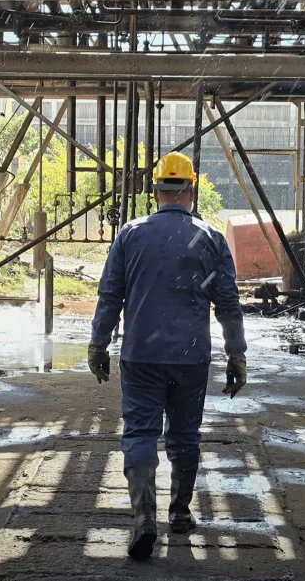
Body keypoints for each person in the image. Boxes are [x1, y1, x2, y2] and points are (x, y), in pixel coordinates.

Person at [87, 151, 247, 561]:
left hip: (141, 354)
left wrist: (98, 343)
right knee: (185, 435)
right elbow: (227, 301)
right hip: (190, 357)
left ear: (155, 191)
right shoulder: (209, 238)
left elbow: (110, 294)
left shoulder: (130, 234)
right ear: (191, 191)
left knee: (141, 433)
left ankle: (144, 517)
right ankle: (179, 512)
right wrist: (236, 353)